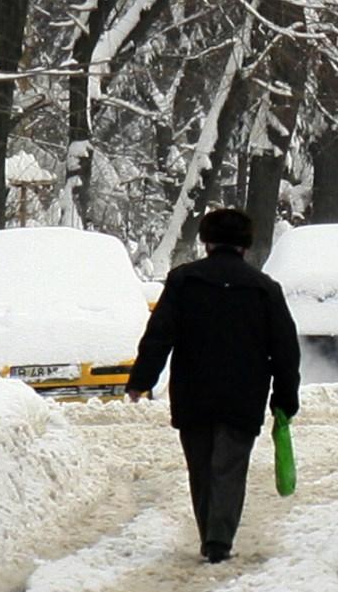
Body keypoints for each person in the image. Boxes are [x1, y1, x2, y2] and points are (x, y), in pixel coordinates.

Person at [125, 206, 302, 563]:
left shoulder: (183, 281)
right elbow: (285, 349)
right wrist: (285, 398)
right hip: (244, 394)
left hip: (193, 391)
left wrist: (141, 380)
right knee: (230, 467)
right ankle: (219, 539)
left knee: (201, 466)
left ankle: (210, 533)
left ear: (205, 241)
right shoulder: (264, 288)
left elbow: (159, 335)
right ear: (245, 246)